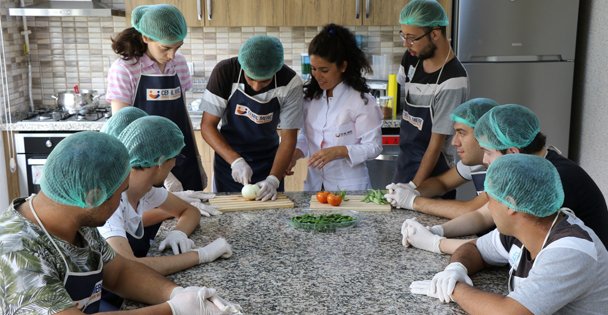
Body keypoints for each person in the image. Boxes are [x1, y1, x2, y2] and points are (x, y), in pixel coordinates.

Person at [0, 131, 238, 314]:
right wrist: (173, 309)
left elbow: (120, 272)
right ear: (93, 197)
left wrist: (179, 293)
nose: (123, 200)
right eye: (121, 192)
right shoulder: (16, 253)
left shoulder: (77, 220)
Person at [410, 154, 608, 313]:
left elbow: (510, 312)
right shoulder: (521, 230)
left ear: (511, 205)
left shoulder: (571, 251)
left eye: (490, 198)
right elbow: (475, 248)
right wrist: (456, 269)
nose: (488, 206)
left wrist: (455, 289)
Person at [402, 104, 608, 254]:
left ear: (512, 151)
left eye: (488, 152)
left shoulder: (553, 179)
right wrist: (437, 230)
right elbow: (484, 215)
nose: (484, 159)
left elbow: (509, 245)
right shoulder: (527, 170)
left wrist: (436, 243)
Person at [98, 115, 231, 274]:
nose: (174, 164)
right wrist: (201, 255)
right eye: (174, 157)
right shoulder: (111, 204)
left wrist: (178, 232)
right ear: (160, 162)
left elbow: (190, 211)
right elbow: (128, 269)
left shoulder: (146, 189)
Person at [106, 4, 206, 192]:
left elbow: (182, 113)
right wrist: (165, 176)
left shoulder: (179, 63)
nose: (172, 55)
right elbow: (121, 129)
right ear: (146, 38)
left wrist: (198, 159)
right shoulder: (124, 69)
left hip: (182, 157)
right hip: (143, 167)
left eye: (178, 47)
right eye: (165, 48)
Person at [200, 35, 303, 200]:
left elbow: (289, 137)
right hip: (229, 160)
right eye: (250, 79)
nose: (256, 86)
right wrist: (235, 161)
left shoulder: (290, 82)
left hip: (270, 161)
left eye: (264, 82)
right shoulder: (225, 72)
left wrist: (274, 179)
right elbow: (207, 126)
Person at [285, 24, 382, 191]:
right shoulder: (310, 99)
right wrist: (296, 154)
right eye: (313, 69)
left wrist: (339, 151)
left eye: (324, 70)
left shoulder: (361, 101)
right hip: (315, 186)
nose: (317, 76)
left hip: (350, 188)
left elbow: (374, 147)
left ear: (343, 66)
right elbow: (306, 138)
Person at [391, 0, 468, 196]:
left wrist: (413, 188)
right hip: (405, 167)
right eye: (404, 35)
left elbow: (435, 146)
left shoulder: (453, 80)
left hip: (434, 179)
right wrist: (403, 183)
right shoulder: (411, 58)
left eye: (412, 38)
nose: (406, 44)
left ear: (434, 34)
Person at [385, 97, 498, 218]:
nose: (454, 142)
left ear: (485, 133)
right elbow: (442, 182)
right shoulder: (476, 162)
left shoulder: (505, 167)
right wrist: (414, 190)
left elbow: (473, 211)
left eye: (462, 133)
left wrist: (413, 201)